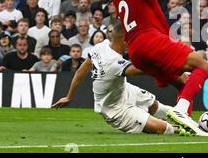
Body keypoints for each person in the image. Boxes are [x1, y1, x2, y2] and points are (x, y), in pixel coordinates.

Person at [111, 0, 208, 132]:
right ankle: (181, 111)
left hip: (135, 51)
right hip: (150, 40)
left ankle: (185, 124)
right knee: (203, 66)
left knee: (182, 82)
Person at [52, 21, 197, 136]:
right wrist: (175, 66)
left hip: (123, 90)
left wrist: (69, 97)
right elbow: (145, 69)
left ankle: (187, 121)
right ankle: (186, 128)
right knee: (163, 128)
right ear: (124, 40)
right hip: (115, 109)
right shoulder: (114, 62)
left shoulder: (99, 47)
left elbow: (79, 73)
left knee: (154, 105)